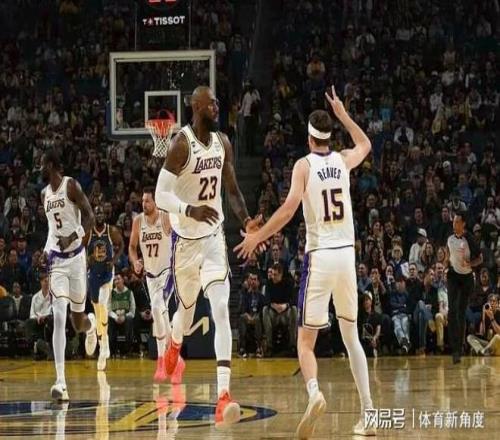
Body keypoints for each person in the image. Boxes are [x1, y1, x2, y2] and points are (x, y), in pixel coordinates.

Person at [235, 86, 375, 437]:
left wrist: (257, 236)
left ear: (309, 137)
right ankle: (369, 413)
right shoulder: (343, 160)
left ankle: (314, 393)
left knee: (305, 343)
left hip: (320, 257)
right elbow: (365, 144)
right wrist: (344, 114)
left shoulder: (304, 165)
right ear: (329, 136)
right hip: (347, 256)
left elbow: (287, 210)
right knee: (351, 338)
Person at [154, 86, 262, 425]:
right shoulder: (181, 144)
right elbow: (160, 195)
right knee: (185, 317)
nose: (217, 106)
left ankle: (223, 395)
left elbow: (233, 189)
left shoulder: (223, 142)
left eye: (217, 101)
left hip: (214, 240)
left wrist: (247, 220)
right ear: (196, 106)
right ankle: (174, 344)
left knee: (220, 310)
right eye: (212, 102)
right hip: (185, 245)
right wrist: (190, 210)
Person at [41, 149, 97, 400]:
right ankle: (61, 382)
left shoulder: (70, 185)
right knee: (59, 316)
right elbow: (51, 230)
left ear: (51, 165)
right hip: (57, 262)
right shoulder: (44, 194)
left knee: (78, 323)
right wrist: (46, 250)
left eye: (42, 164)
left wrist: (73, 237)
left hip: (76, 260)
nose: (39, 169)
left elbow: (90, 217)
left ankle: (91, 326)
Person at [129, 187, 185, 383]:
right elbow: (132, 247)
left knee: (157, 307)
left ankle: (162, 361)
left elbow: (180, 237)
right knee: (161, 314)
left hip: (167, 273)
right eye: (142, 201)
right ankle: (176, 361)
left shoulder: (166, 218)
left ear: (155, 202)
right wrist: (135, 261)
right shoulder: (138, 221)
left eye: (147, 201)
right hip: (150, 276)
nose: (144, 204)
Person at [87, 205, 124, 371]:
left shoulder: (111, 231)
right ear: (93, 215)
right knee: (97, 310)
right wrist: (87, 258)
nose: (99, 215)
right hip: (94, 274)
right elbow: (80, 248)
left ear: (105, 214)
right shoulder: (89, 233)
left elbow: (122, 244)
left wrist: (114, 260)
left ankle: (103, 346)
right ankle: (103, 338)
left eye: (101, 212)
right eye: (97, 213)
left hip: (107, 274)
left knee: (103, 303)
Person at [447, 210, 483, 364]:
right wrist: (446, 263)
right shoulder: (449, 237)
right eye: (453, 221)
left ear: (463, 224)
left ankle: (460, 347)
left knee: (461, 312)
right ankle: (455, 348)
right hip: (453, 276)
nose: (454, 224)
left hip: (467, 278)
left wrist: (470, 263)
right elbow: (448, 252)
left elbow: (480, 258)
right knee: (452, 310)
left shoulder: (470, 239)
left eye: (457, 222)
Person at [238, 271, 265, 358]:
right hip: (247, 317)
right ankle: (242, 348)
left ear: (258, 282)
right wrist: (248, 316)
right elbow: (243, 309)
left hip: (258, 318)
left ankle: (259, 347)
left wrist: (255, 317)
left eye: (255, 279)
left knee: (257, 319)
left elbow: (262, 311)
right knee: (242, 318)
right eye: (251, 279)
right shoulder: (245, 296)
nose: (253, 281)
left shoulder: (261, 297)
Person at [108, 273, 135, 356]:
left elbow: (132, 311)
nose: (116, 281)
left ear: (123, 280)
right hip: (114, 319)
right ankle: (112, 350)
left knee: (129, 319)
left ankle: (126, 350)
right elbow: (108, 310)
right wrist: (115, 317)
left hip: (125, 319)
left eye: (118, 279)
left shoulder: (129, 293)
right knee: (109, 319)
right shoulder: (111, 293)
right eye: (115, 280)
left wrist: (124, 317)